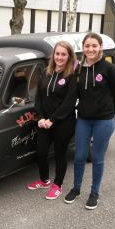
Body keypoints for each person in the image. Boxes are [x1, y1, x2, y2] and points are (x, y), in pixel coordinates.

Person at [64, 32, 115, 210]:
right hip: (83, 120)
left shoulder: (108, 68)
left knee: (97, 158)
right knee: (79, 156)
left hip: (103, 122)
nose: (90, 49)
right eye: (87, 46)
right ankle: (76, 189)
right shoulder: (78, 69)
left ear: (100, 48)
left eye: (94, 46)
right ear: (83, 48)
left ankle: (94, 192)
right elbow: (73, 94)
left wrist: (108, 113)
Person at [27, 41, 77, 200]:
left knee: (60, 154)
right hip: (45, 122)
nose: (60, 57)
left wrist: (52, 120)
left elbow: (69, 102)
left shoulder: (71, 75)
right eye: (57, 54)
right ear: (53, 55)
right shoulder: (46, 72)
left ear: (69, 56)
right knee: (41, 152)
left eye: (63, 54)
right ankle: (44, 180)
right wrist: (41, 118)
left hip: (64, 122)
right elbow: (39, 98)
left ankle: (58, 184)